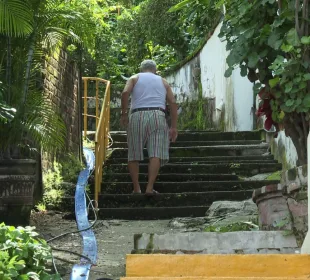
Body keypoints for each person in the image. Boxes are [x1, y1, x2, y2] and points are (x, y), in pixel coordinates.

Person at [120, 59, 178, 195]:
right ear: (155, 70)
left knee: (134, 153)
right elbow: (173, 102)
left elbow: (124, 93)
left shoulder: (134, 78)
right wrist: (174, 127)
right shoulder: (162, 81)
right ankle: (149, 188)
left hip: (137, 115)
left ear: (141, 69)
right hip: (158, 115)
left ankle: (136, 188)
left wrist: (123, 114)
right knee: (156, 153)